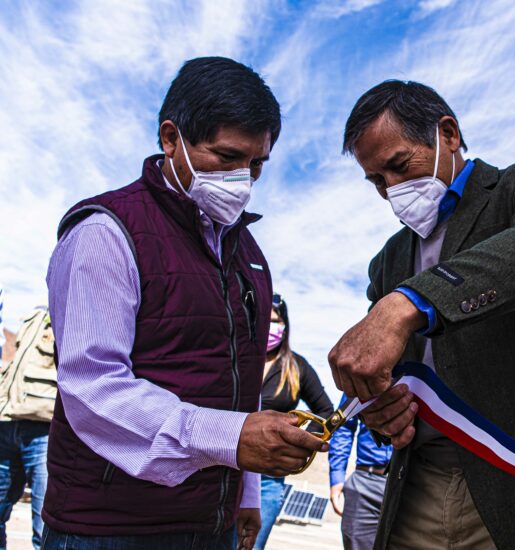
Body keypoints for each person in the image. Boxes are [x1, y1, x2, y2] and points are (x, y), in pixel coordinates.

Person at [328, 80, 515, 550]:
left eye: (399, 165)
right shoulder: (388, 259)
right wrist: (381, 408)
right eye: (376, 181)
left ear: (447, 134)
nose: (391, 189)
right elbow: (391, 368)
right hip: (418, 489)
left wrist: (405, 304)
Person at [43, 56, 328, 550]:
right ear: (171, 138)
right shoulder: (107, 232)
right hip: (111, 527)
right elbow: (94, 387)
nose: (243, 178)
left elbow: (243, 387)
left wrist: (246, 493)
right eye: (226, 156)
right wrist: (232, 438)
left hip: (209, 524)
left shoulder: (249, 255)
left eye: (256, 164)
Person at [253, 294, 336, 550]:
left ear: (285, 325)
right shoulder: (240, 358)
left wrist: (300, 444)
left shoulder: (297, 366)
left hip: (267, 478)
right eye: (264, 320)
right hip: (225, 469)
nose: (269, 327)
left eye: (275, 320)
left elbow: (325, 409)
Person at [0, 307, 56, 549]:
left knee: (44, 524)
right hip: (7, 421)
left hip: (42, 428)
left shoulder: (77, 313)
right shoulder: (34, 317)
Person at [328, 392, 392, 550]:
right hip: (365, 484)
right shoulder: (362, 372)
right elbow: (343, 427)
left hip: (416, 483)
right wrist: (337, 477)